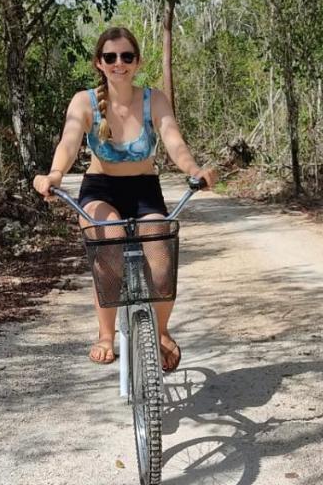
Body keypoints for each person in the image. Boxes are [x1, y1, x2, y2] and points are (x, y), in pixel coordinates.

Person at [33, 27, 217, 371]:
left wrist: (194, 170)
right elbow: (69, 142)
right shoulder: (84, 101)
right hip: (99, 189)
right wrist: (55, 175)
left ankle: (161, 332)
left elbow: (174, 141)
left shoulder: (154, 99)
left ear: (137, 61)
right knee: (110, 239)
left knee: (161, 254)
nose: (119, 63)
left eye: (127, 56)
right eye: (111, 57)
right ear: (99, 63)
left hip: (145, 190)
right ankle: (105, 334)